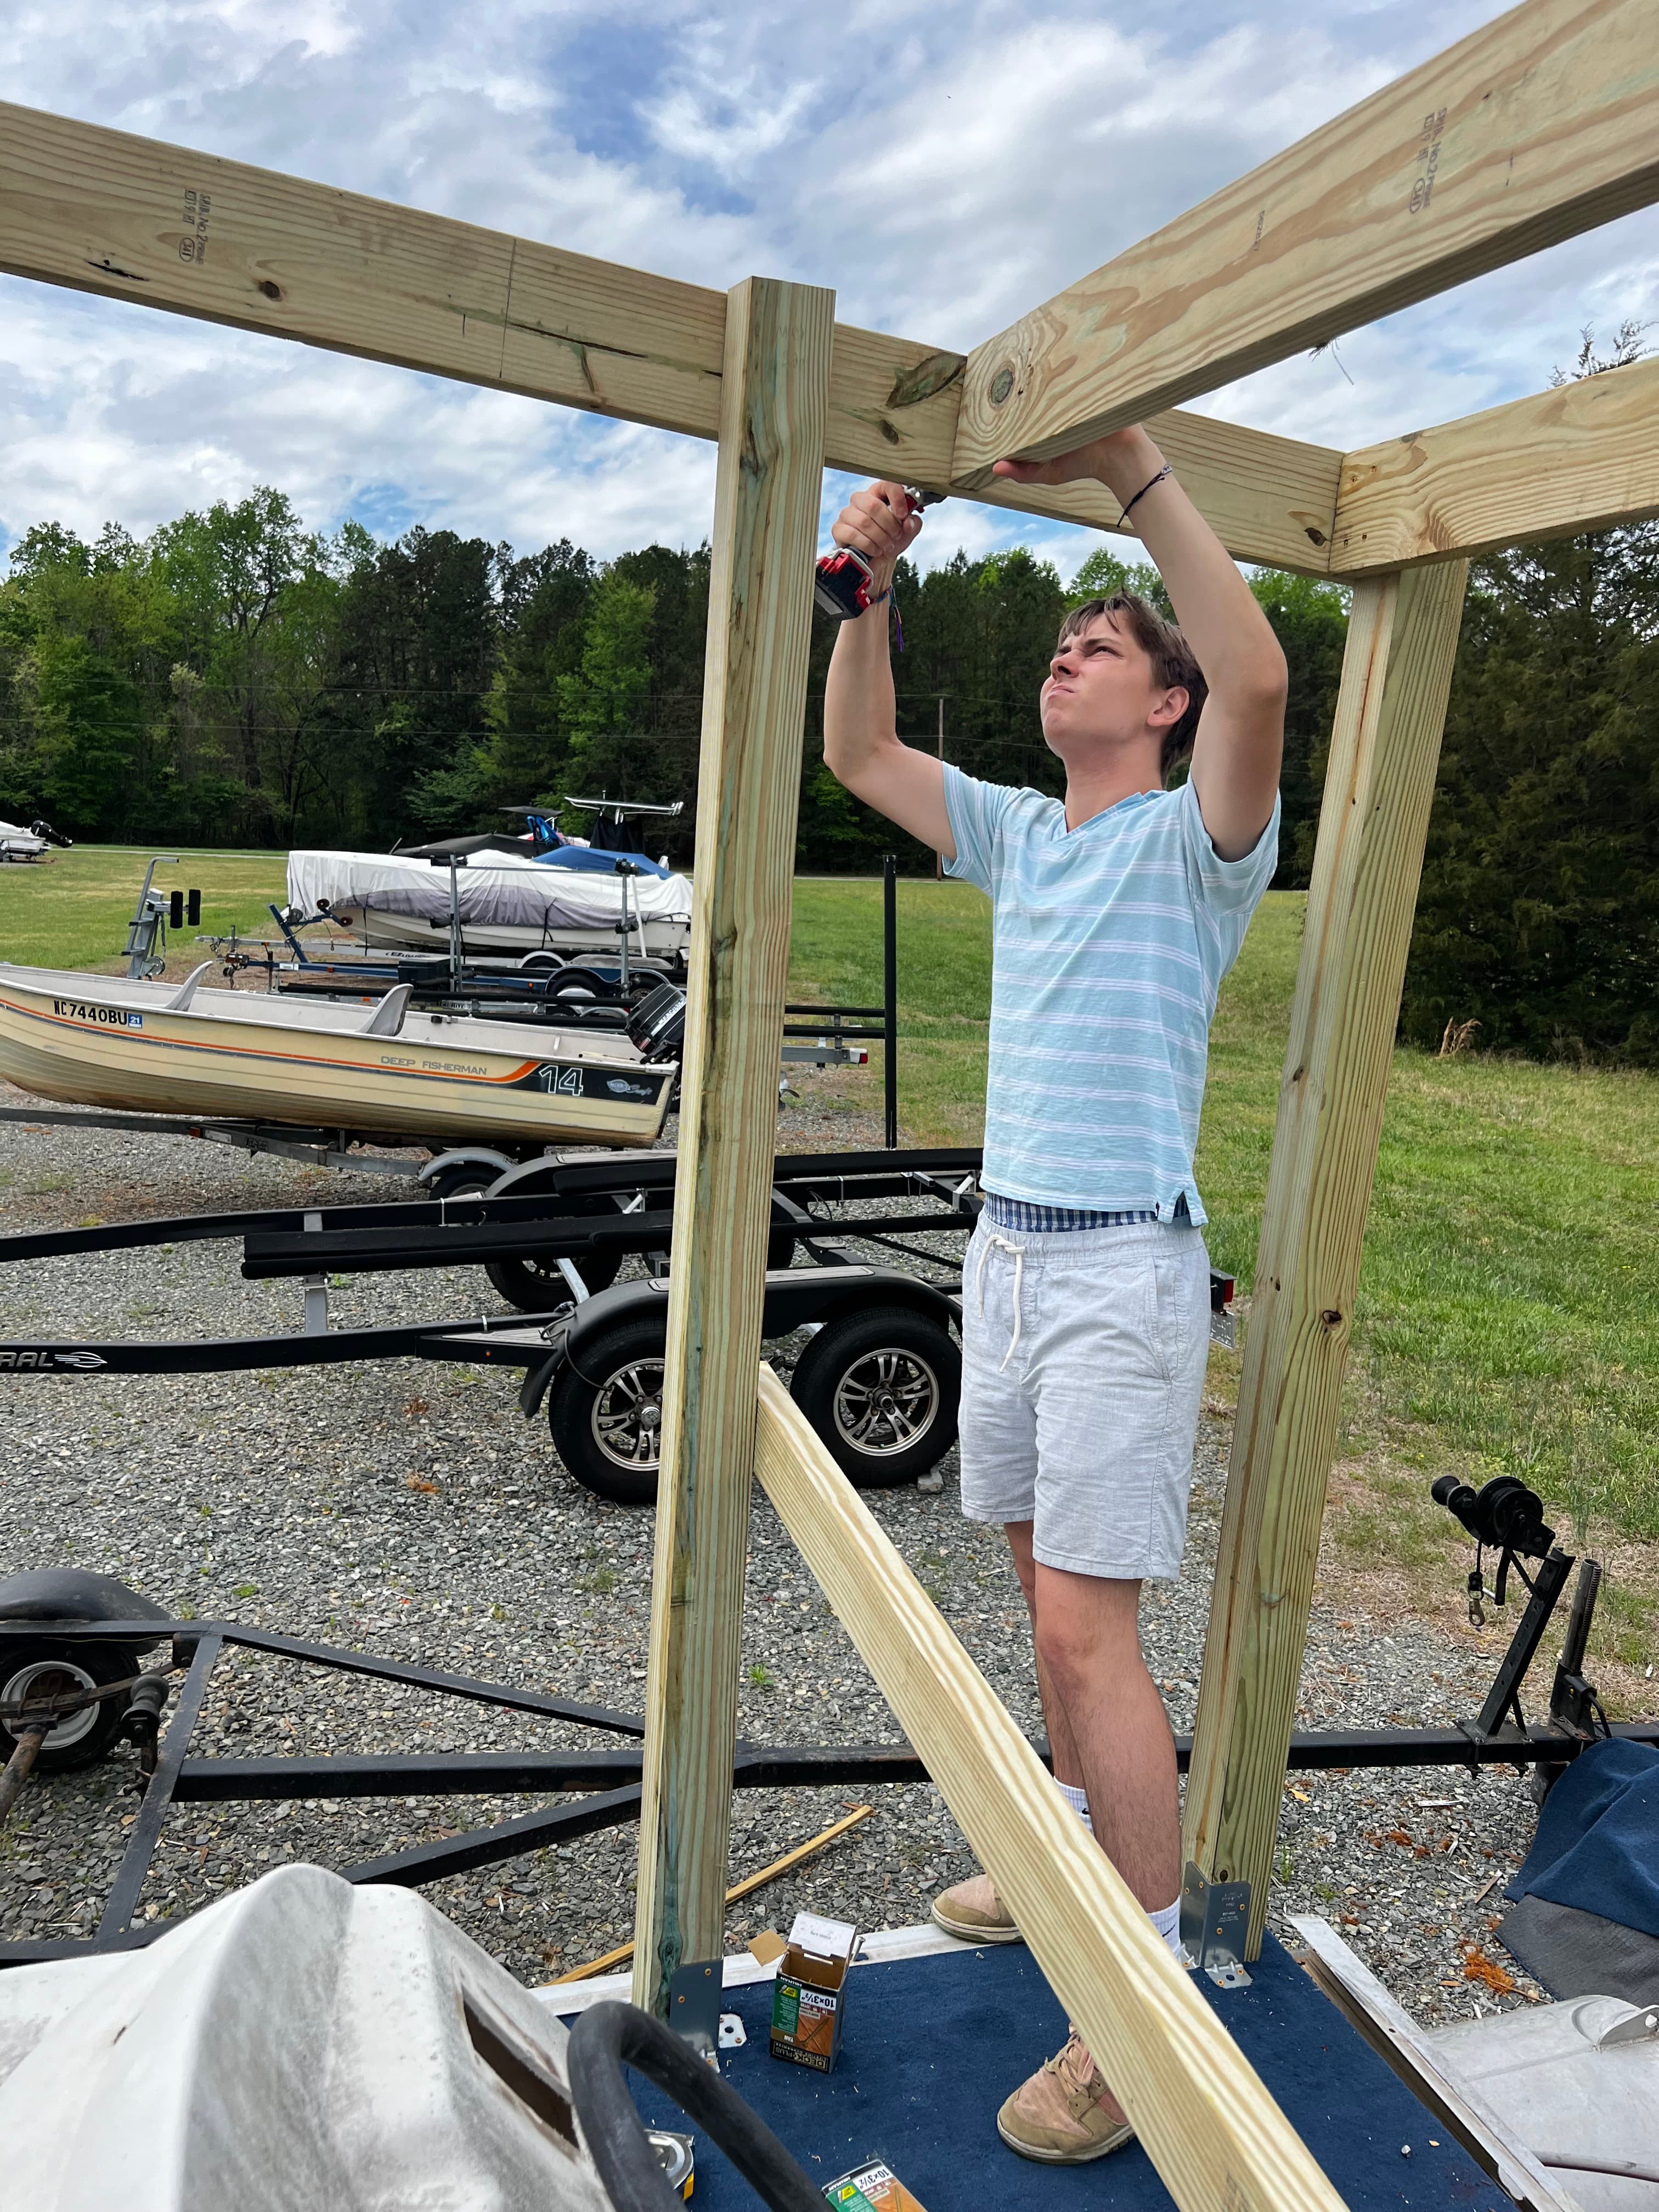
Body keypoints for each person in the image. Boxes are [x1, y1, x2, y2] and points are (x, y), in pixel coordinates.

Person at [821, 426, 1285, 2164]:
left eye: (1098, 645)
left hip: (1118, 1267)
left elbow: (1256, 662)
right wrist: (862, 585)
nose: (1062, 657)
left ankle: (1138, 2010)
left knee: (1095, 1629)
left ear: (1161, 708)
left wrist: (1131, 468)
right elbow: (856, 744)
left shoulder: (1200, 839)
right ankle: (1066, 1868)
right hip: (1006, 1251)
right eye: (1056, 645)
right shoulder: (1022, 834)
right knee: (1035, 1587)